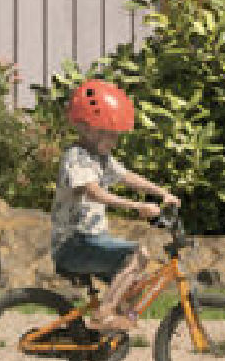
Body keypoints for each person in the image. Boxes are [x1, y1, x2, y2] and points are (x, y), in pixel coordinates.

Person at [49, 78, 180, 337]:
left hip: (91, 240)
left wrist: (162, 192)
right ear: (88, 128)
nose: (115, 140)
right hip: (73, 244)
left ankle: (104, 344)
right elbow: (93, 192)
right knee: (138, 255)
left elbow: (126, 176)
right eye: (111, 134)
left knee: (133, 286)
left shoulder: (100, 158)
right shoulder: (77, 157)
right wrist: (137, 206)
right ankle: (104, 315)